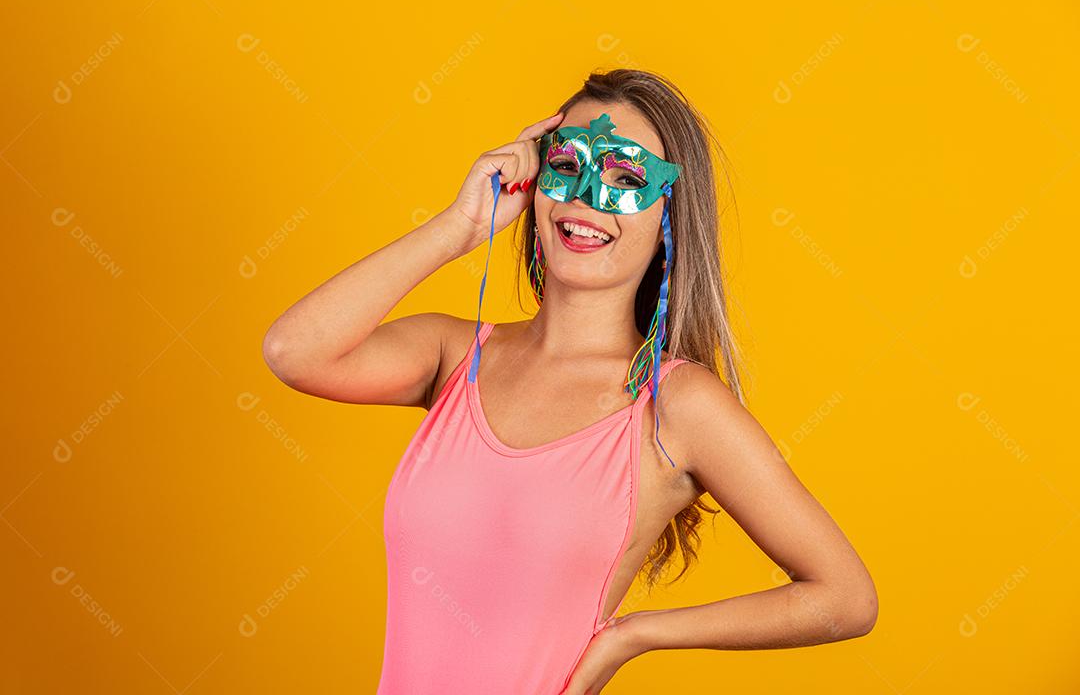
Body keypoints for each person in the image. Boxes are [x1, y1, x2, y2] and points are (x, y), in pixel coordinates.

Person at [262, 68, 877, 695]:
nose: (587, 196)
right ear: (534, 183)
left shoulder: (678, 406)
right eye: (567, 164)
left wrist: (632, 634)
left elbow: (845, 598)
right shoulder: (454, 355)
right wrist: (462, 227)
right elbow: (294, 351)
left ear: (671, 212)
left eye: (627, 178)